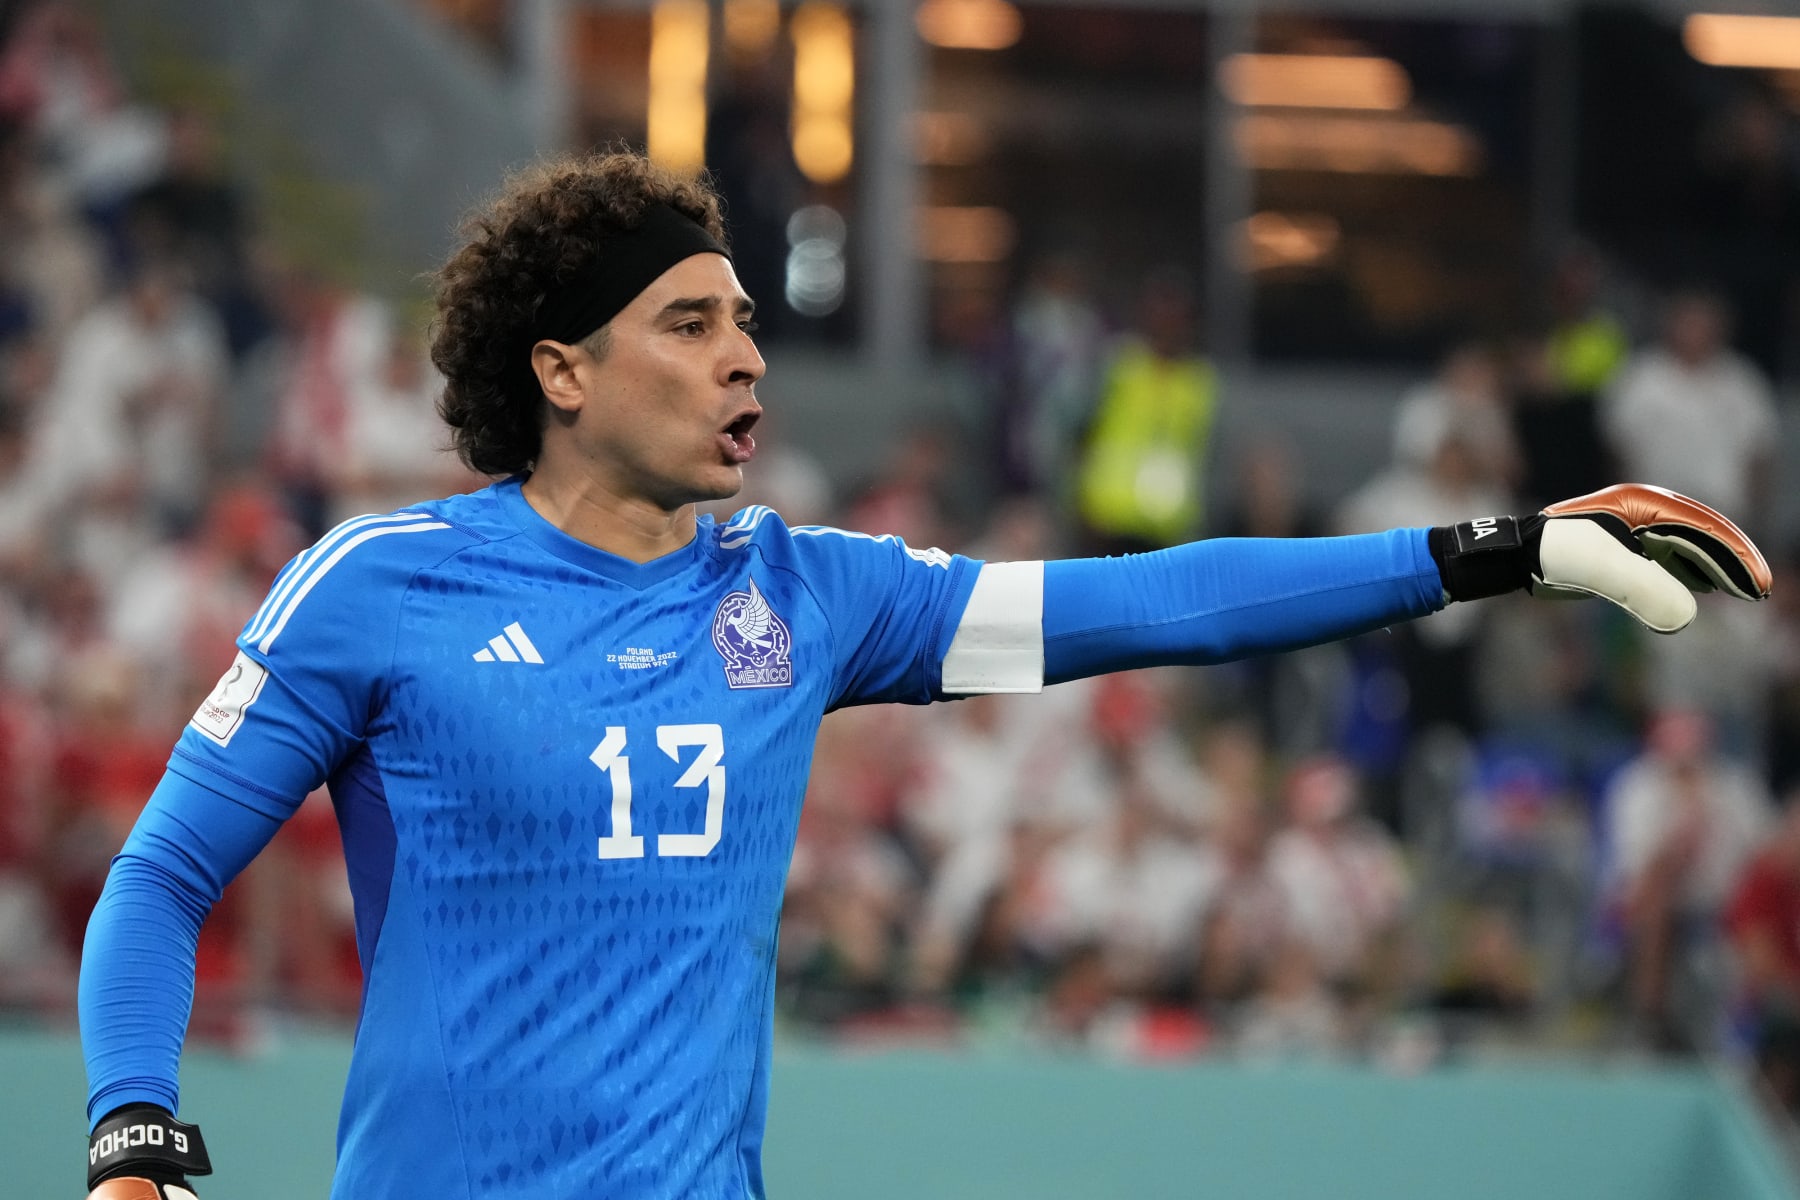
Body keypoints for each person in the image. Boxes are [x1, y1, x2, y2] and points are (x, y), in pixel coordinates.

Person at [78, 150, 1773, 1200]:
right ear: (560, 372)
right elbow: (158, 878)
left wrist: (1488, 550)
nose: (744, 352)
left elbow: (1157, 604)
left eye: (746, 318)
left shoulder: (810, 597)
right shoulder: (381, 589)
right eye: (688, 323)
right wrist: (133, 1135)